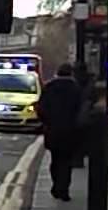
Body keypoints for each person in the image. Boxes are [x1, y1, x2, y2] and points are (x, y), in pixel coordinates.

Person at [35, 63, 83, 201]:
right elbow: (80, 109)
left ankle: (57, 185)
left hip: (53, 130)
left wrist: (46, 122)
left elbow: (41, 108)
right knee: (66, 162)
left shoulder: (49, 87)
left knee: (55, 160)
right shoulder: (76, 88)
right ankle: (64, 189)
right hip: (70, 131)